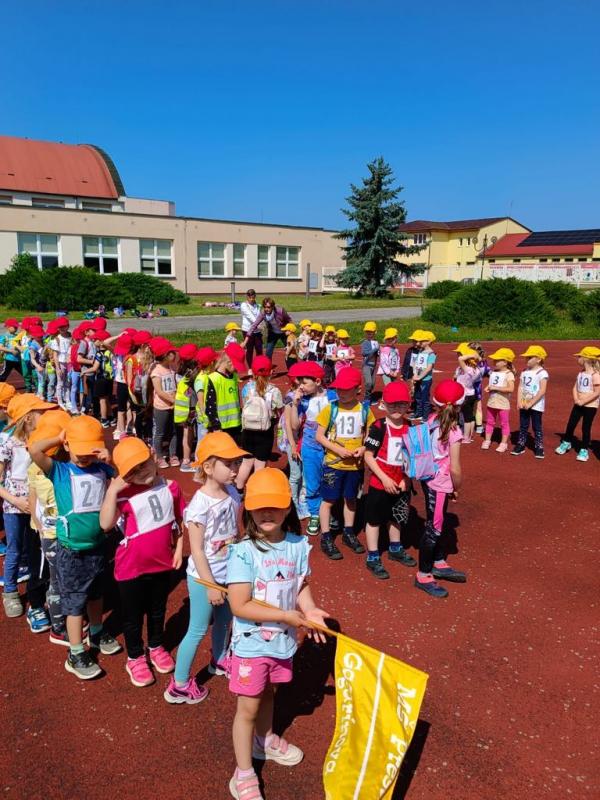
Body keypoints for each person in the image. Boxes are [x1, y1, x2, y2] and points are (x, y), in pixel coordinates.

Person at [227, 468, 328, 800]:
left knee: (270, 693)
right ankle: (243, 773)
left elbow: (301, 585)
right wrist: (286, 615)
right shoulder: (243, 552)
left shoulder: (297, 546)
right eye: (259, 507)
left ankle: (265, 740)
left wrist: (309, 610)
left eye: (274, 506)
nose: (267, 513)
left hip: (282, 642)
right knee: (247, 709)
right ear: (249, 510)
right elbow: (239, 604)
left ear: (288, 508)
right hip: (251, 646)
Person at [29, 415, 122, 679]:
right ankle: (76, 651)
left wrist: (110, 460)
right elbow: (34, 450)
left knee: (96, 594)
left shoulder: (101, 468)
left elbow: (122, 477)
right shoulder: (58, 470)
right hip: (71, 550)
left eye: (90, 453)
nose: (85, 458)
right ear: (68, 445)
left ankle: (96, 632)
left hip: (98, 545)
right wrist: (58, 438)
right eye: (80, 453)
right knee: (74, 602)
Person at [165, 432, 247, 704]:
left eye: (237, 463)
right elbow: (198, 550)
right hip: (204, 579)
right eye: (229, 464)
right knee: (198, 629)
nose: (236, 469)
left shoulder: (232, 492)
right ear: (209, 467)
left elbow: (234, 531)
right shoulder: (200, 505)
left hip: (228, 572)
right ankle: (179, 684)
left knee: (225, 620)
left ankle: (219, 659)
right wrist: (211, 586)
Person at [100, 438, 185, 687]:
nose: (140, 472)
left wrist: (179, 548)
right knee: (132, 616)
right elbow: (105, 524)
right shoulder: (122, 495)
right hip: (131, 567)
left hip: (162, 563)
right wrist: (112, 490)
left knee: (158, 610)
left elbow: (179, 520)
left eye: (143, 464)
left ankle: (156, 646)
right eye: (132, 471)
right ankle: (135, 656)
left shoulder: (172, 487)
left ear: (153, 456)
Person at [0, 394, 57, 621]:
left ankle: (41, 590)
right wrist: (15, 501)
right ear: (28, 418)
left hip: (37, 506)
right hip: (14, 507)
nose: (44, 415)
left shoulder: (41, 441)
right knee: (14, 548)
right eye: (40, 412)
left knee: (37, 550)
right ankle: (10, 591)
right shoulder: (7, 443)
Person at [315, 367, 374, 560]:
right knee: (328, 500)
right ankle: (326, 536)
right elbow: (319, 436)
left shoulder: (364, 410)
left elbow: (370, 437)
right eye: (339, 389)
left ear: (358, 389)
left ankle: (348, 532)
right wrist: (338, 450)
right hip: (333, 464)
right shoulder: (330, 408)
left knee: (351, 499)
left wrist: (363, 448)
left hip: (355, 466)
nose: (341, 393)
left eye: (346, 389)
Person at [416, 380, 467, 599]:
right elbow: (455, 467)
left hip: (428, 477)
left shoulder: (431, 420)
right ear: (459, 406)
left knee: (435, 520)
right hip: (440, 483)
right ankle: (423, 574)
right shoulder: (453, 431)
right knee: (434, 527)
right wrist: (457, 487)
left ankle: (437, 561)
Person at [26, 409, 72, 643]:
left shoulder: (45, 467)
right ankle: (58, 626)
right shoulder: (48, 468)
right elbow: (34, 499)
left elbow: (33, 500)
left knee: (63, 578)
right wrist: (40, 528)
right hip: (53, 534)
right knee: (57, 581)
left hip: (59, 532)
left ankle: (67, 618)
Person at [363, 381, 416, 580]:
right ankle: (373, 555)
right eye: (392, 404)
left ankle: (395, 548)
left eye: (402, 404)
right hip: (380, 483)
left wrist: (407, 479)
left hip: (401, 482)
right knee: (374, 520)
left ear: (408, 405)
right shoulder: (378, 427)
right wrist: (384, 479)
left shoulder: (410, 427)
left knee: (397, 517)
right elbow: (368, 456)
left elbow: (414, 457)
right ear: (384, 404)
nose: (397, 408)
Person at [288, 361, 330, 535]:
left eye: (304, 383)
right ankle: (315, 514)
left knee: (329, 480)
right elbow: (295, 426)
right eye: (299, 383)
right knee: (312, 482)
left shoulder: (332, 397)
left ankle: (328, 511)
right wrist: (295, 404)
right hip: (310, 446)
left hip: (331, 446)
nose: (301, 387)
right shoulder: (303, 401)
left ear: (317, 381)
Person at [237, 356, 283, 489]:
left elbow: (245, 404)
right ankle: (255, 489)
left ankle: (239, 489)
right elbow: (279, 410)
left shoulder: (246, 388)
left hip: (248, 429)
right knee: (260, 465)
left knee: (246, 463)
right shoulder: (274, 391)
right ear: (271, 372)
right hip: (265, 431)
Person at [555, 345, 600, 462]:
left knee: (586, 427)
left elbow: (597, 392)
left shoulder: (595, 375)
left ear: (586, 359)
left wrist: (583, 401)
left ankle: (584, 449)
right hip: (578, 404)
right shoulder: (581, 373)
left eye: (580, 357)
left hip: (590, 406)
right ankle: (566, 442)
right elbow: (575, 387)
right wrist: (576, 399)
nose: (578, 358)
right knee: (571, 424)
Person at [512, 345, 549, 459]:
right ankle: (521, 444)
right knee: (523, 425)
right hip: (524, 403)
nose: (526, 359)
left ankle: (539, 446)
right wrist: (519, 401)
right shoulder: (524, 371)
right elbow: (520, 387)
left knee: (537, 426)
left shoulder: (542, 373)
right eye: (526, 357)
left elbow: (542, 390)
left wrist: (531, 403)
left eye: (530, 357)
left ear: (538, 359)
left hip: (536, 405)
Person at [204, 344, 245, 444]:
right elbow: (210, 406)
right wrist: (216, 426)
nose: (236, 369)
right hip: (221, 427)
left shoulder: (234, 377)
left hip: (236, 425)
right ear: (228, 361)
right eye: (236, 365)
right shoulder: (213, 379)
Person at [149, 337, 178, 469]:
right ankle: (160, 457)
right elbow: (159, 391)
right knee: (160, 433)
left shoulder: (172, 368)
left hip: (173, 405)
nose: (174, 354)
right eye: (171, 352)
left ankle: (173, 455)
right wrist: (173, 401)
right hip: (162, 407)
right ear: (165, 355)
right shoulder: (157, 371)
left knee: (173, 432)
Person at [481, 348, 516, 453]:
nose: (494, 362)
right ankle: (487, 440)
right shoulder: (494, 372)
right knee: (489, 422)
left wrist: (495, 388)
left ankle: (503, 443)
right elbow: (492, 384)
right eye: (494, 360)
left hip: (503, 404)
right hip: (492, 402)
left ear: (505, 362)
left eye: (497, 360)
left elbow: (511, 388)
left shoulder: (509, 374)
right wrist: (488, 387)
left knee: (504, 423)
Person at [174, 343, 199, 472]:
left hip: (183, 408)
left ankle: (186, 460)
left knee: (187, 433)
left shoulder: (179, 372)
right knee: (195, 433)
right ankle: (193, 461)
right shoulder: (193, 374)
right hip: (193, 407)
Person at [453, 344, 482, 443]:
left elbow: (460, 359)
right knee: (470, 417)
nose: (458, 355)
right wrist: (475, 356)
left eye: (460, 353)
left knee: (466, 418)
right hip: (471, 393)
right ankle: (469, 436)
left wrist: (472, 355)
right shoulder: (476, 369)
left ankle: (466, 437)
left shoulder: (468, 369)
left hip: (464, 395)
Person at [194, 346, 218, 446]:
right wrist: (207, 419)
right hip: (205, 419)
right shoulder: (201, 379)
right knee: (202, 443)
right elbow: (201, 402)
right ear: (212, 363)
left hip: (210, 417)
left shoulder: (210, 376)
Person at [412, 332, 437, 420]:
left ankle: (425, 415)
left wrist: (420, 377)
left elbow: (429, 368)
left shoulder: (431, 354)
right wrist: (415, 374)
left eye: (422, 341)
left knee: (424, 398)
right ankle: (418, 413)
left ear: (429, 342)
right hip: (418, 378)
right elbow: (415, 363)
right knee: (417, 396)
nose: (419, 343)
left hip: (425, 379)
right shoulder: (420, 351)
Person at [468, 341, 489, 434]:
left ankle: (466, 423)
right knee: (477, 407)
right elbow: (488, 372)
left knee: (468, 406)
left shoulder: (468, 361)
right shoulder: (483, 362)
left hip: (469, 387)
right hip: (477, 388)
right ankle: (479, 426)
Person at [240, 289, 263, 368]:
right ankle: (250, 368)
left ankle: (259, 366)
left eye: (253, 297)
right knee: (250, 350)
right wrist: (258, 324)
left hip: (257, 331)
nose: (252, 299)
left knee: (259, 349)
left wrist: (262, 324)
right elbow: (250, 316)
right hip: (247, 330)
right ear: (247, 297)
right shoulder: (244, 305)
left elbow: (260, 316)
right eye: (250, 298)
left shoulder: (258, 305)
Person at [360, 321, 379, 402]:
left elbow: (377, 354)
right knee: (368, 382)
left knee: (373, 383)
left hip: (374, 365)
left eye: (371, 332)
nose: (369, 334)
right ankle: (366, 398)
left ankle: (369, 396)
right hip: (366, 365)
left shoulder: (376, 343)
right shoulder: (365, 342)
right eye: (367, 332)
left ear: (375, 332)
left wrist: (379, 352)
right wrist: (375, 349)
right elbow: (364, 353)